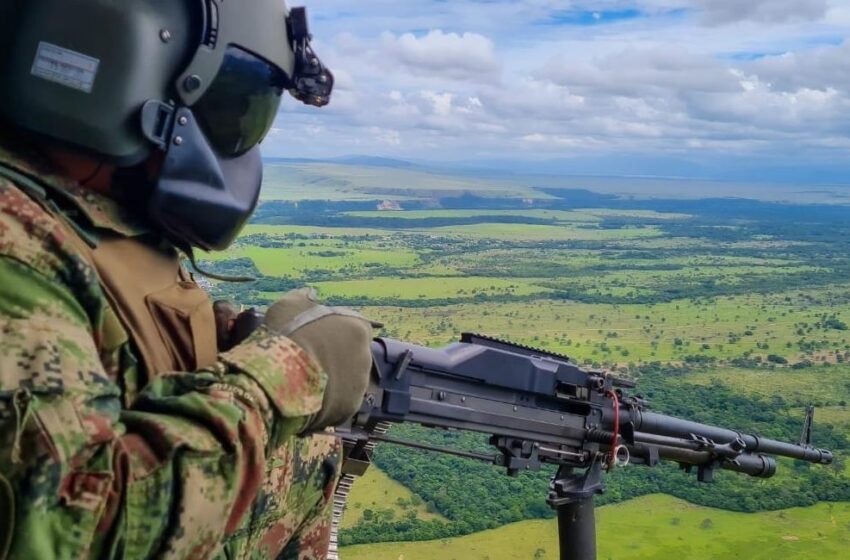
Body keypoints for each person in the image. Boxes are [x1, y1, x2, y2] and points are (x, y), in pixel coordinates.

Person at [0, 1, 373, 558]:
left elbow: (85, 329)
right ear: (124, 58)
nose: (235, 141)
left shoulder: (63, 211)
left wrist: (222, 336)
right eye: (228, 107)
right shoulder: (13, 245)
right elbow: (70, 531)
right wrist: (288, 373)